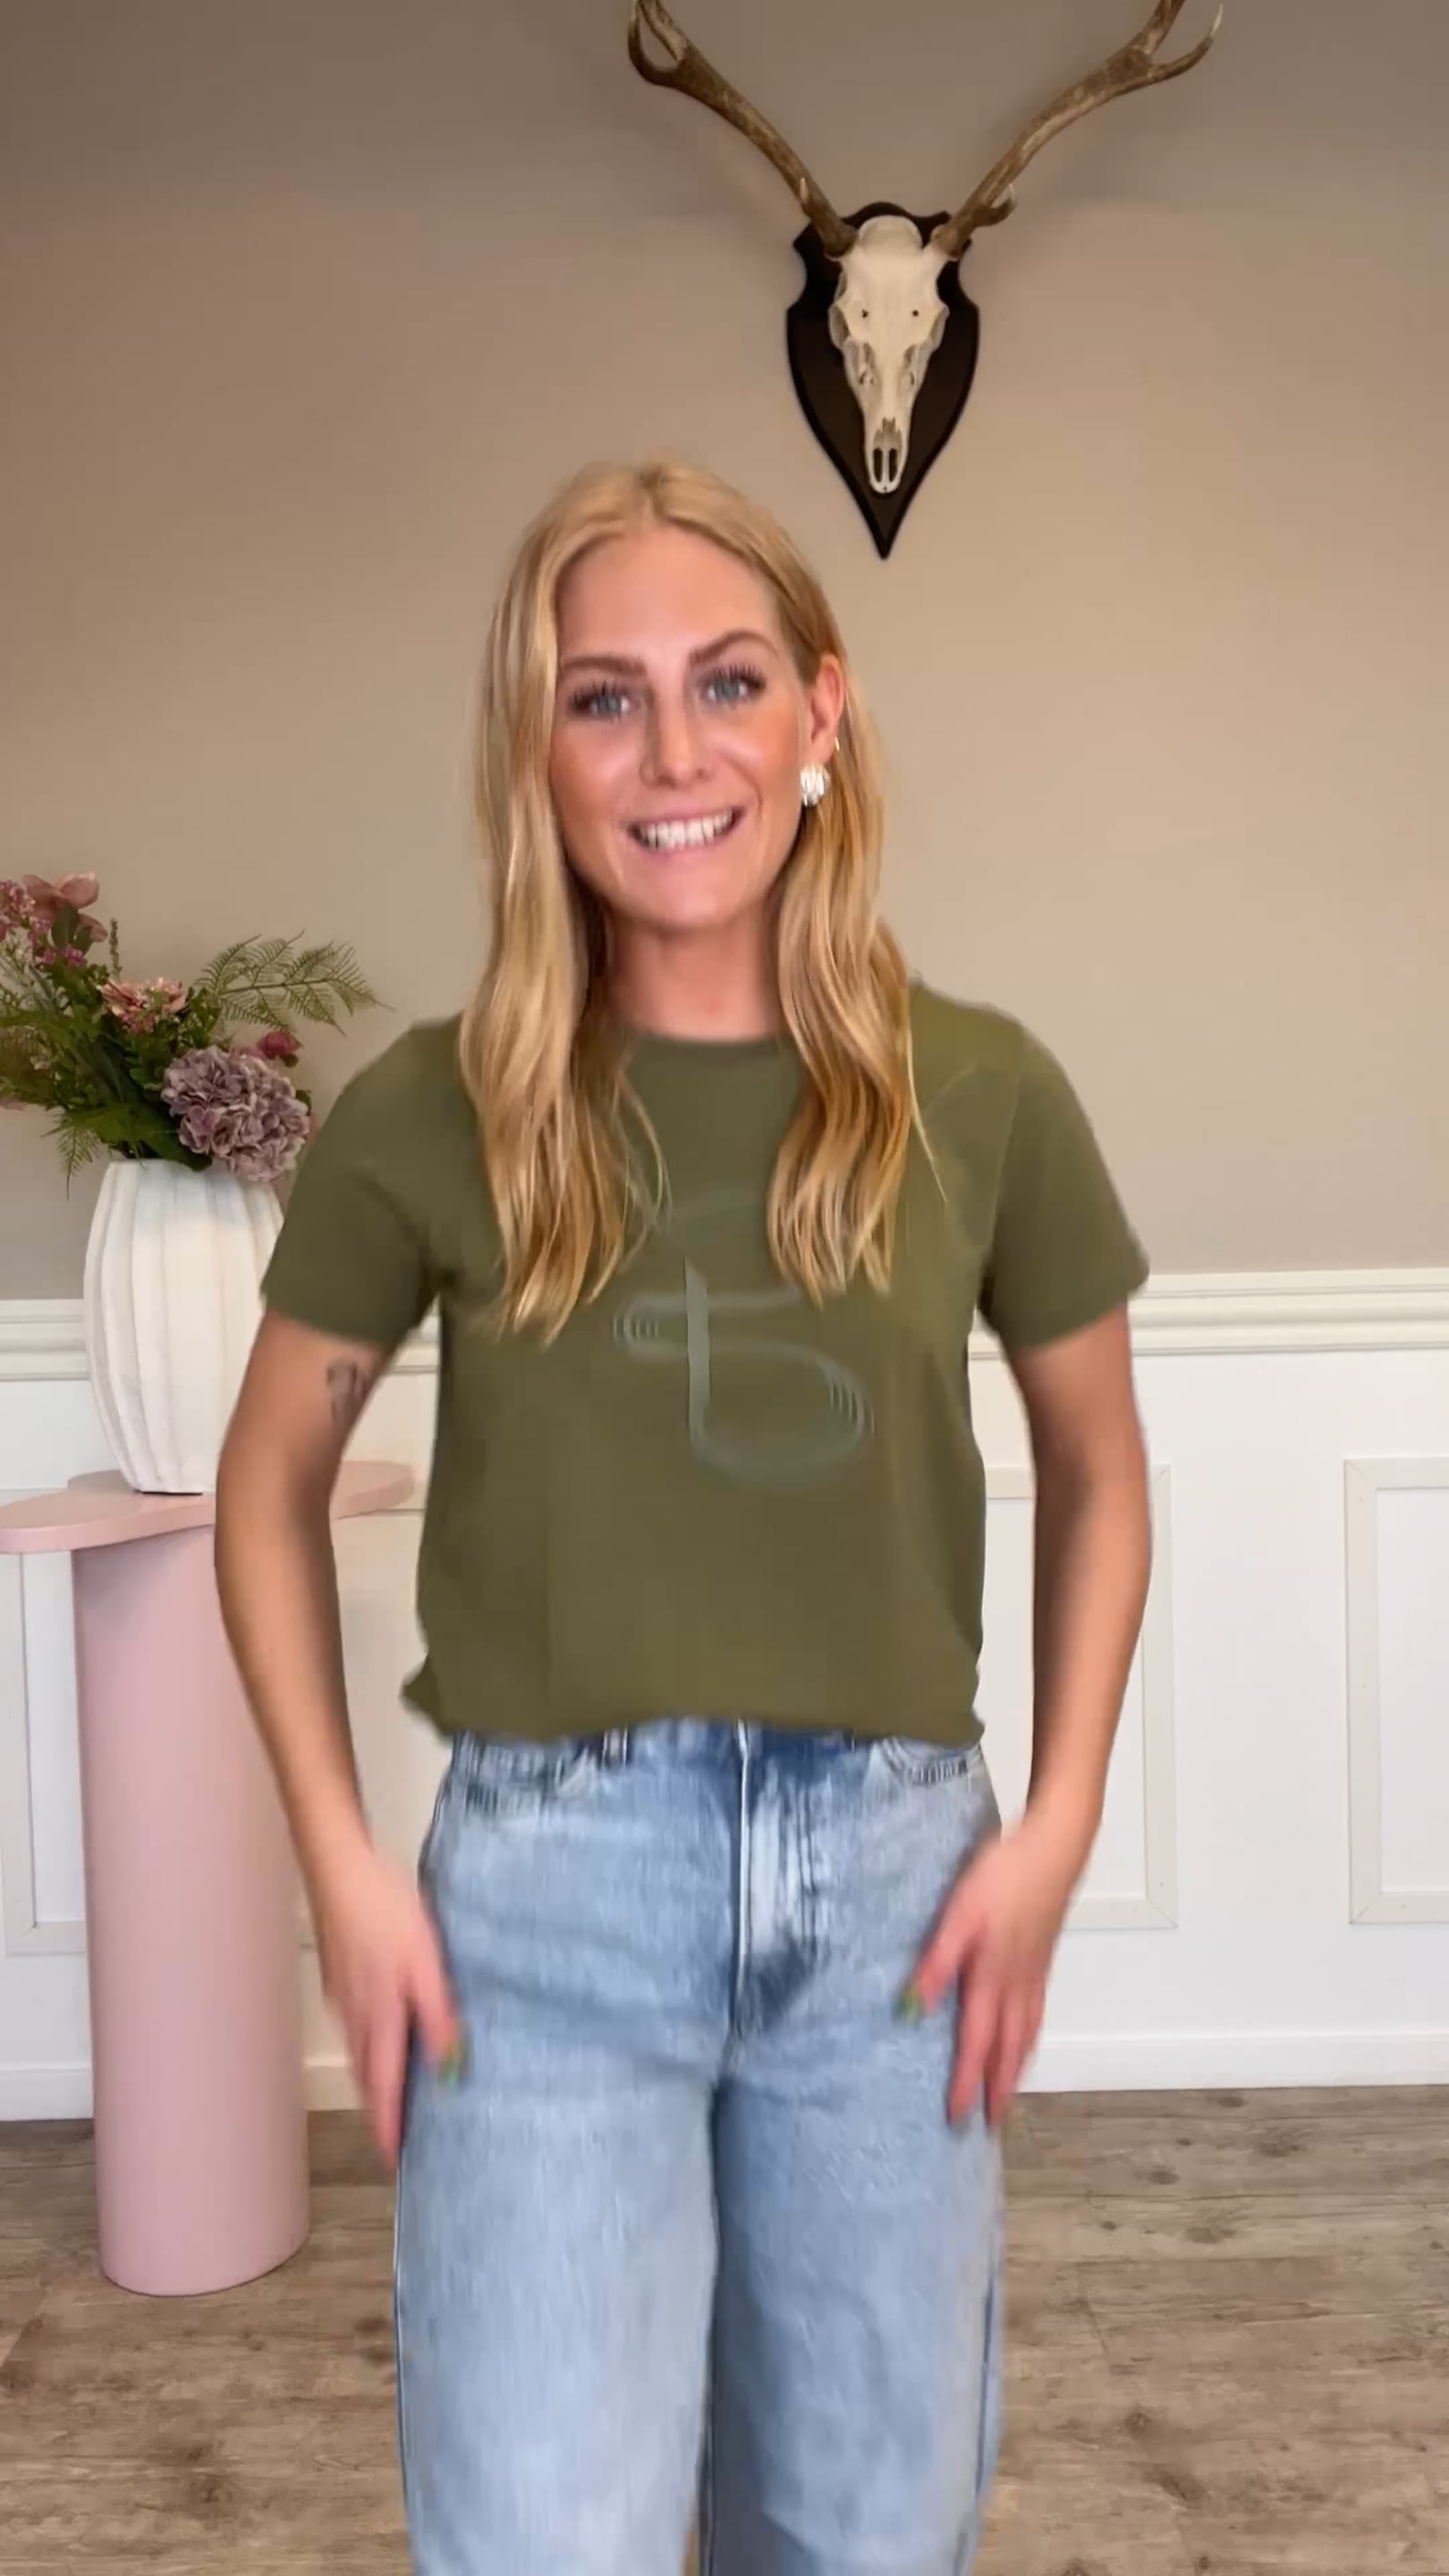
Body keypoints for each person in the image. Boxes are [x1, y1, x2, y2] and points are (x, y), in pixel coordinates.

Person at [216, 456, 1153, 2576]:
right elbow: (262, 1488)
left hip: (898, 1909)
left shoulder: (984, 1093)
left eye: (727, 681)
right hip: (546, 1910)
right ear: (535, 753)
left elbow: (1103, 1466)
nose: (673, 752)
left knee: (867, 2531)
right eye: (602, 697)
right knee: (544, 2534)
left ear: (823, 712)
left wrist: (1062, 1820)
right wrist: (341, 1863)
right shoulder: (438, 1111)